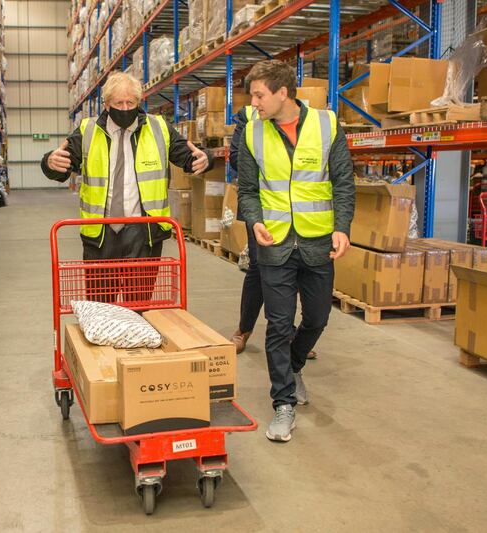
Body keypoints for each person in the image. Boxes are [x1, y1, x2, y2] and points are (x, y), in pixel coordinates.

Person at [237, 61, 354, 443]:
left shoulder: (327, 125)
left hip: (318, 241)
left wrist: (342, 227)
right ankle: (283, 403)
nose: (253, 103)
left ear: (282, 93)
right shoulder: (251, 133)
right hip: (274, 244)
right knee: (279, 325)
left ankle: (296, 364)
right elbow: (247, 191)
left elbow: (342, 182)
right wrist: (253, 220)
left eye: (259, 95)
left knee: (318, 318)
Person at [41, 72, 212, 296]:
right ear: (106, 104)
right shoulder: (87, 130)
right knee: (101, 308)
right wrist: (49, 162)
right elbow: (60, 167)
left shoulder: (159, 128)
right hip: (101, 236)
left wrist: (206, 158)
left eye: (130, 102)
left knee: (139, 305)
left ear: (139, 102)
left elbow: (190, 158)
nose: (124, 108)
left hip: (144, 234)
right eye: (118, 103)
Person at [229, 105, 318, 361]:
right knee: (260, 267)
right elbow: (236, 157)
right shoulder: (249, 115)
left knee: (291, 267)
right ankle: (244, 329)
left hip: (299, 209)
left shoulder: (305, 117)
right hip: (261, 206)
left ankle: (288, 333)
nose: (257, 99)